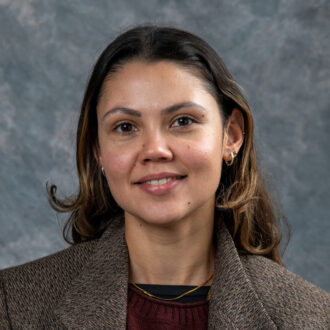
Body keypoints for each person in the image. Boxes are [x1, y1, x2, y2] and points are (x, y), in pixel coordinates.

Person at [0, 25, 329, 329]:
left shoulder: (312, 317)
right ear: (98, 150)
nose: (155, 149)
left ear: (231, 136)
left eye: (183, 121)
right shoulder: (14, 305)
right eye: (126, 127)